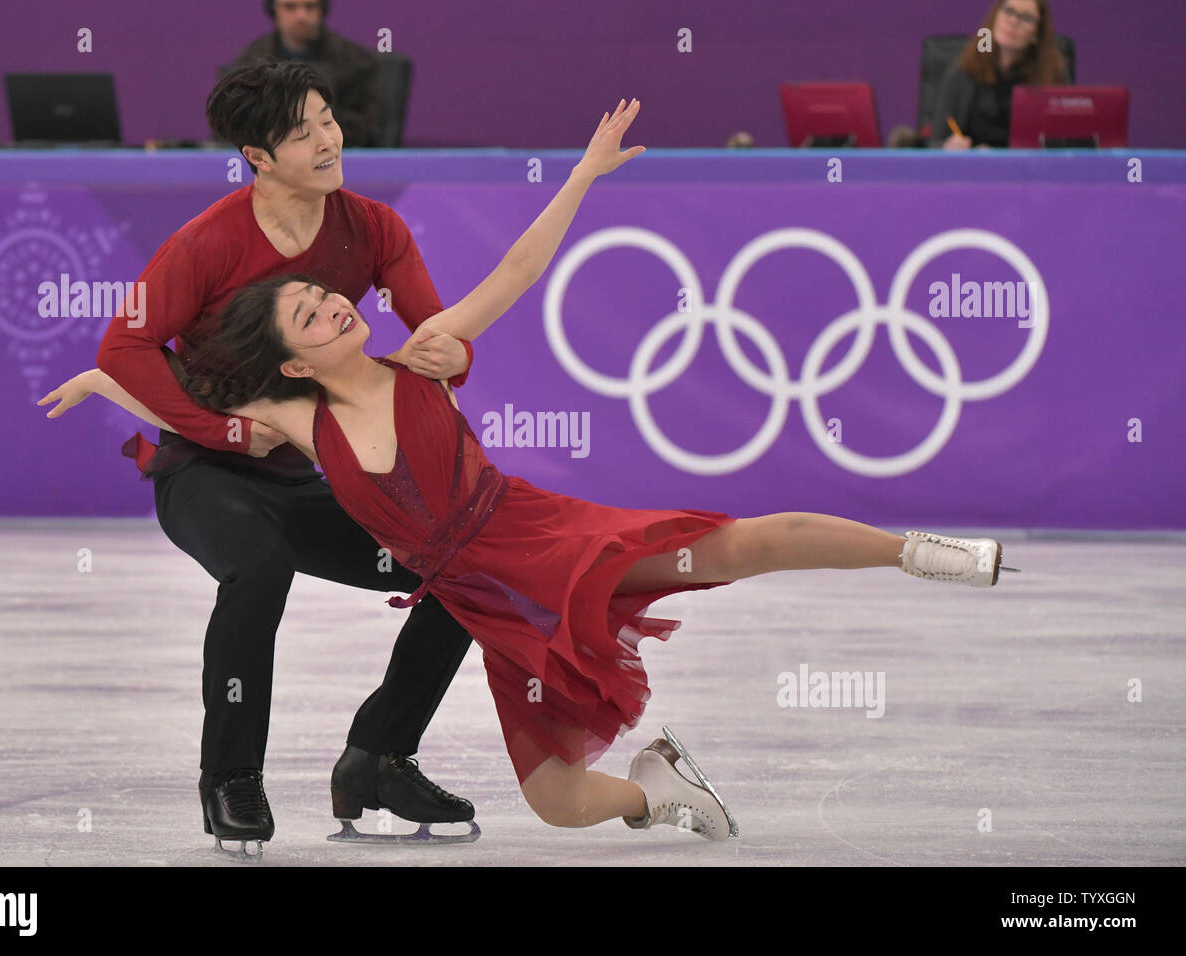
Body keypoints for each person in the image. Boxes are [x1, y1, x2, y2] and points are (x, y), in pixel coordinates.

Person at [51, 99, 1011, 839]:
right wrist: (106, 379)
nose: (335, 305)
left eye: (326, 295)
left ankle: (919, 552)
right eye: (309, 313)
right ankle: (655, 793)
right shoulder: (293, 418)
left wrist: (586, 175)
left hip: (536, 538)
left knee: (732, 548)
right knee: (555, 801)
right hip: (485, 601)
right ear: (295, 360)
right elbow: (188, 404)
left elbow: (514, 269)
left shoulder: (420, 352)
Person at [92, 60, 481, 856]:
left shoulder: (373, 228)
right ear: (257, 156)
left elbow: (440, 332)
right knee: (259, 566)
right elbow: (123, 347)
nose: (328, 140)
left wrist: (453, 358)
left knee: (462, 565)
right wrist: (225, 432)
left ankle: (379, 756)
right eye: (301, 132)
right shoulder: (205, 243)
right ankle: (231, 779)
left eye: (328, 119)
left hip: (312, 478)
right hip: (203, 476)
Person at [234, 0, 381, 147]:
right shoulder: (251, 63)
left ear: (322, 9)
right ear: (274, 10)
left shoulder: (355, 62)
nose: (301, 16)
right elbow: (236, 122)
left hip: (338, 153)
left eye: (310, 6)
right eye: (290, 7)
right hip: (272, 156)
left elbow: (368, 125)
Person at [930, 0, 1070, 150]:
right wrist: (949, 146)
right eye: (1008, 11)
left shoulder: (1053, 76)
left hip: (1027, 169)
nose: (1013, 21)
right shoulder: (964, 71)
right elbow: (936, 141)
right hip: (972, 168)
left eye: (1026, 18)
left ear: (1037, 33)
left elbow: (1062, 144)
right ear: (995, 16)